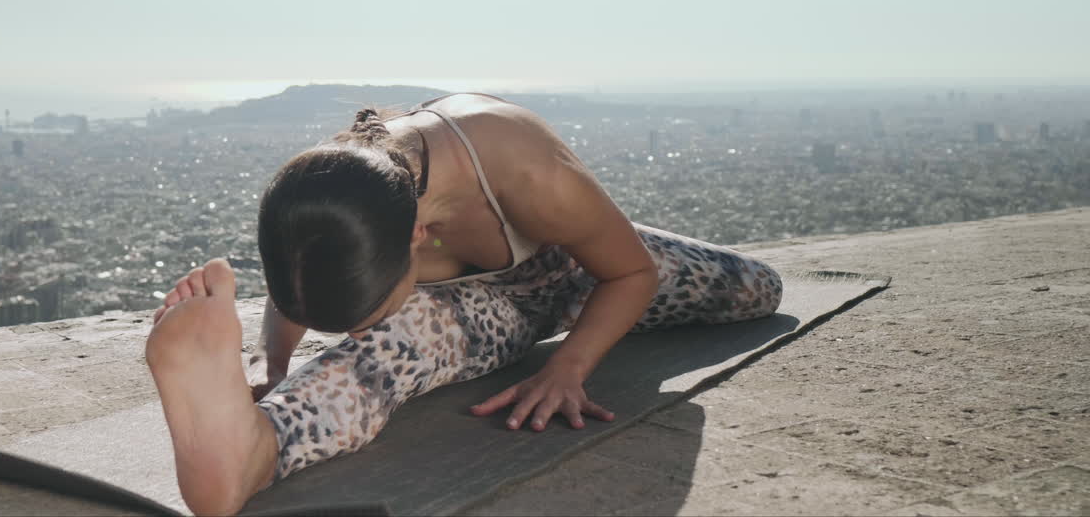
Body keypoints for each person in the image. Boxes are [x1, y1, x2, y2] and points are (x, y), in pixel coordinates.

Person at [145, 92, 783, 516]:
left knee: (759, 290)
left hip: (584, 271)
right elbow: (305, 276)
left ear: (418, 237)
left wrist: (567, 369)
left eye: (375, 302)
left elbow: (630, 272)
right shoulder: (333, 189)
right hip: (486, 306)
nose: (375, 320)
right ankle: (252, 450)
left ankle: (256, 442)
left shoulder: (531, 173)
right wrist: (273, 360)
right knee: (398, 344)